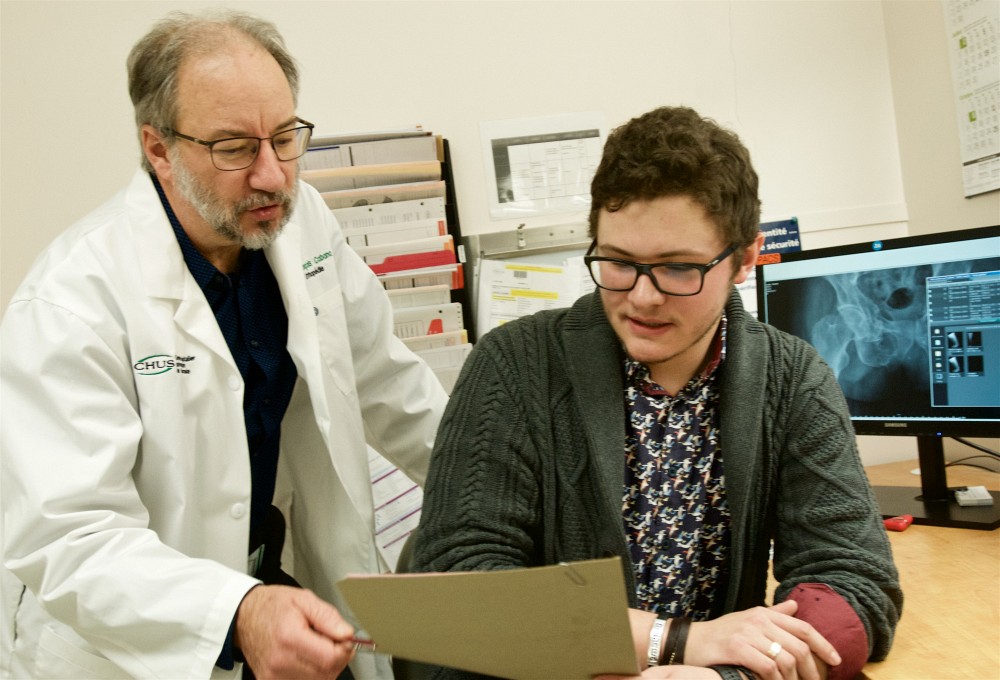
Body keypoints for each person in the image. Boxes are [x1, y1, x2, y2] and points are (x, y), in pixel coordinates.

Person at [0, 9, 448, 680]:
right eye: (235, 149)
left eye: (285, 138)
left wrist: (502, 492)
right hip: (121, 651)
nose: (273, 176)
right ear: (158, 148)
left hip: (282, 588)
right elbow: (71, 540)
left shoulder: (302, 229)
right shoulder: (73, 300)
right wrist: (236, 610)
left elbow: (390, 385)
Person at [409, 106, 901, 680]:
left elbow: (851, 577)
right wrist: (676, 643)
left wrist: (730, 676)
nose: (642, 298)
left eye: (677, 269)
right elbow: (460, 583)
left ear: (744, 259)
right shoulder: (515, 365)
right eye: (618, 262)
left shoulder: (792, 379)